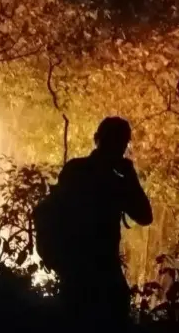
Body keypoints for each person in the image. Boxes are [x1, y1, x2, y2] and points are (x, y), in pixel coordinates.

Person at [56, 116, 153, 332]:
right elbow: (145, 216)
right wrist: (129, 178)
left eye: (121, 143)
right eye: (118, 142)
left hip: (77, 270)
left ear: (96, 138)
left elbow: (145, 217)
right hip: (96, 271)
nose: (119, 148)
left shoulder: (76, 170)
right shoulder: (111, 181)